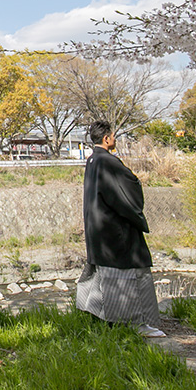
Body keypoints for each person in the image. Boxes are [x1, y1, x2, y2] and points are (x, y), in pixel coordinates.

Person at [75, 120, 166, 337]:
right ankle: (138, 324)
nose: (114, 139)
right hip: (115, 231)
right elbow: (127, 192)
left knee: (105, 277)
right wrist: (136, 183)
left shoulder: (92, 160)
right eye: (113, 136)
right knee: (131, 276)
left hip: (98, 230)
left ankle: (106, 317)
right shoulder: (109, 162)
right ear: (106, 138)